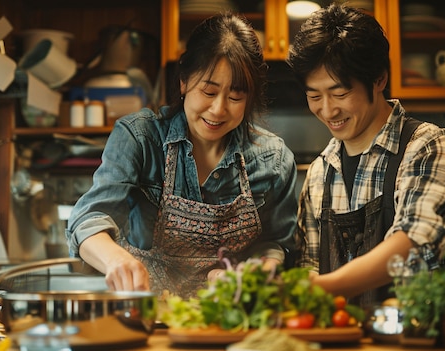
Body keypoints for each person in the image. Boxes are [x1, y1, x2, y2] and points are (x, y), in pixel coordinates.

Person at [65, 12, 298, 298]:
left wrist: (258, 270)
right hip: (149, 314)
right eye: (208, 91)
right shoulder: (140, 138)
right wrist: (116, 260)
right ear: (184, 81)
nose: (218, 109)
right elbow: (88, 218)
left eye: (235, 97)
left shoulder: (274, 160)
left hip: (232, 317)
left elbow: (277, 242)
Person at [286, 4, 445, 308]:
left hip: (414, 339)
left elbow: (414, 242)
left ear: (379, 80)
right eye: (314, 96)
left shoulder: (429, 147)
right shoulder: (319, 172)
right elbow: (310, 265)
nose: (328, 110)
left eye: (340, 93)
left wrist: (325, 288)